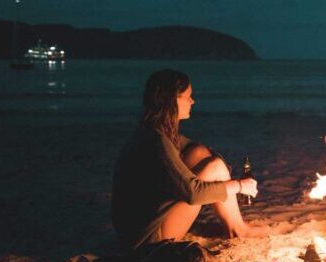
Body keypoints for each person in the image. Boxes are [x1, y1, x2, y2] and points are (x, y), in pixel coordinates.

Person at [112, 69, 266, 250]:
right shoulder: (156, 141)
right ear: (172, 100)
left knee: (199, 152)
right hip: (148, 240)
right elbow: (193, 194)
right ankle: (238, 229)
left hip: (136, 230)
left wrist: (221, 168)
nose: (192, 101)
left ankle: (235, 224)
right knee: (215, 167)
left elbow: (198, 150)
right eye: (188, 97)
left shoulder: (153, 131)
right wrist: (240, 186)